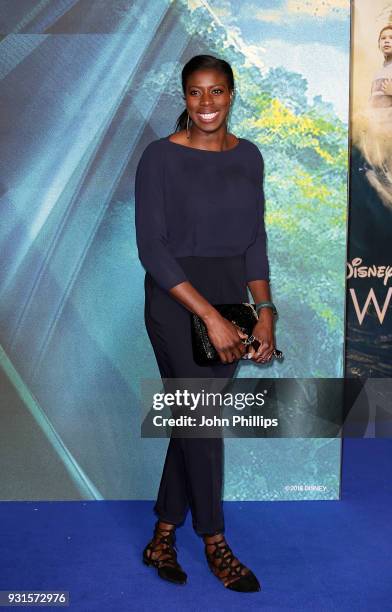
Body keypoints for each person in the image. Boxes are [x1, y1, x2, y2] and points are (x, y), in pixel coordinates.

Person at [134, 54, 276, 592]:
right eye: (196, 92)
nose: (207, 103)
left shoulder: (250, 157)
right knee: (202, 421)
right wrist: (212, 318)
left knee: (194, 419)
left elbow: (254, 241)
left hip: (231, 298)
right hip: (177, 299)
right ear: (184, 97)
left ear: (231, 94)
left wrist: (264, 313)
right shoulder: (159, 158)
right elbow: (152, 248)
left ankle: (163, 535)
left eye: (217, 91)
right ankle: (215, 540)